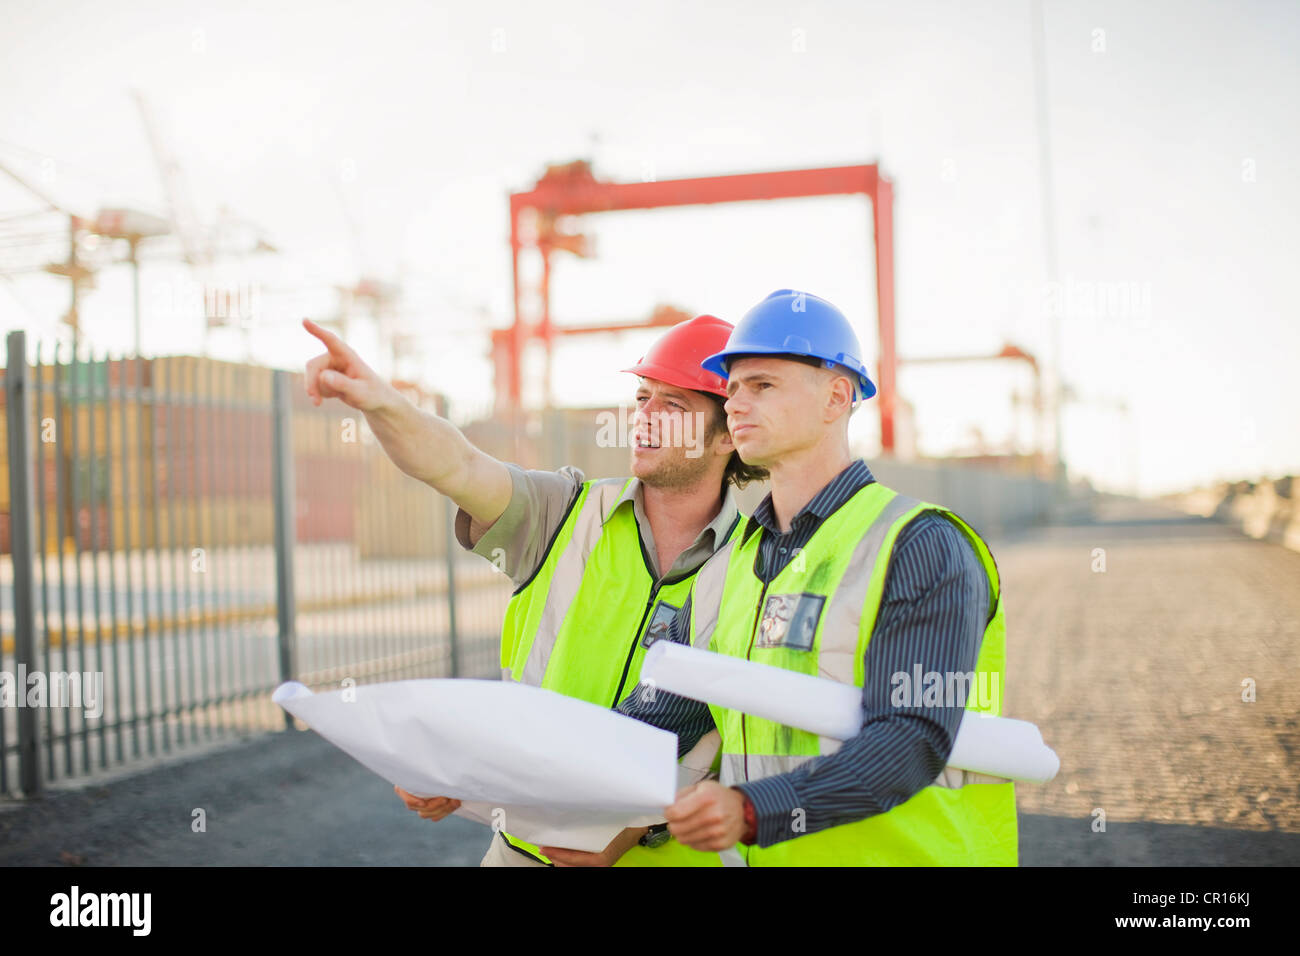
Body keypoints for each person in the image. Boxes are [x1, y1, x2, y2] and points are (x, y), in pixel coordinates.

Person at [301, 313, 765, 866]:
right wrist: (381, 402)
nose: (644, 418)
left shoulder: (758, 567)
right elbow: (456, 464)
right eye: (643, 397)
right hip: (522, 854)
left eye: (674, 406)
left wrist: (634, 834)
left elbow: (735, 744)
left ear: (728, 436)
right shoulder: (561, 514)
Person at [618, 289, 1018, 865]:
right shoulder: (730, 566)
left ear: (836, 397)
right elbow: (654, 721)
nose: (734, 403)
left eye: (762, 385)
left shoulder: (920, 544)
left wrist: (753, 810)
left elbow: (911, 739)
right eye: (731, 388)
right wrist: (493, 776)